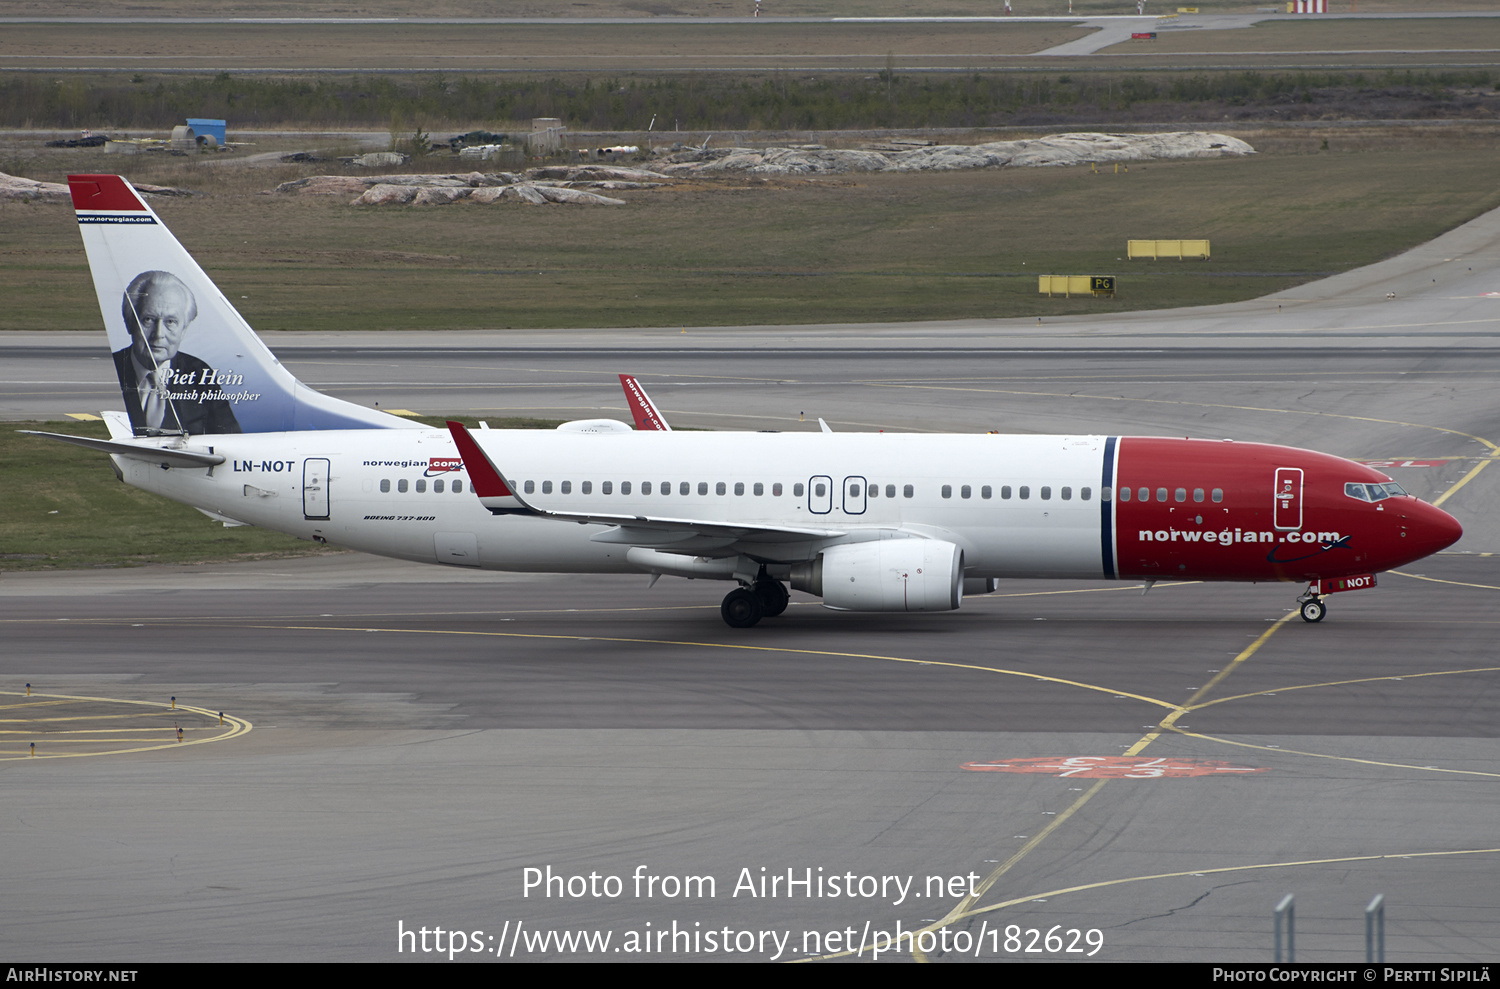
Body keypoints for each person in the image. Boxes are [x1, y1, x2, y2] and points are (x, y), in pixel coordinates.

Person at [112, 270, 240, 434]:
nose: (158, 335)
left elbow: (229, 437)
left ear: (184, 329)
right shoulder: (113, 367)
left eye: (170, 322)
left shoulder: (199, 373)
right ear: (130, 323)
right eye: (148, 320)